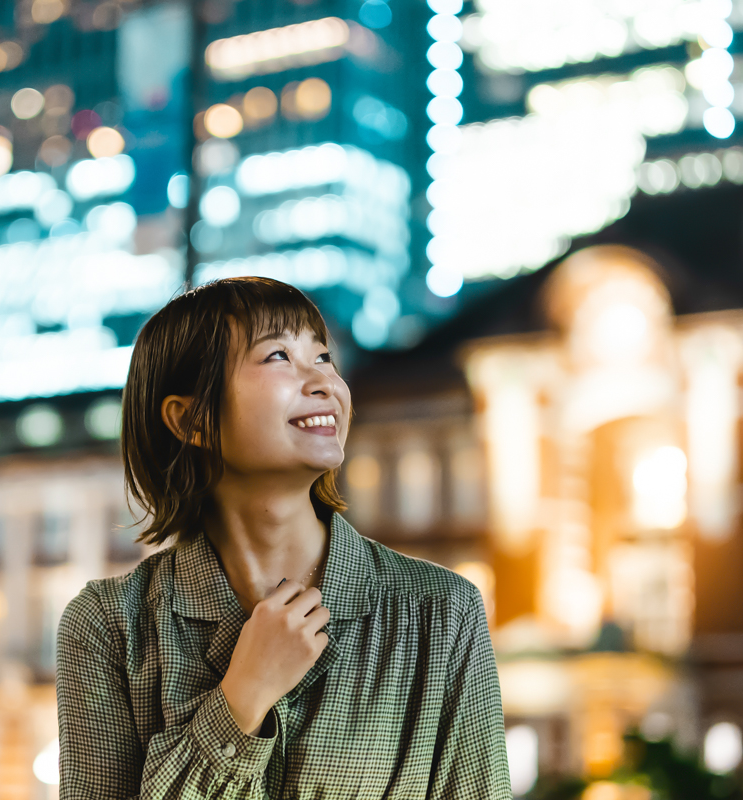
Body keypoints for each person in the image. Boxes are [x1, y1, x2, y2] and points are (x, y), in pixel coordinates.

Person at [55, 277, 512, 799]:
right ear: (191, 419)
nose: (323, 382)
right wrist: (242, 697)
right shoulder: (111, 626)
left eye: (323, 357)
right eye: (278, 356)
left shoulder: (441, 612)